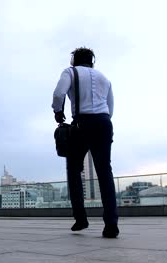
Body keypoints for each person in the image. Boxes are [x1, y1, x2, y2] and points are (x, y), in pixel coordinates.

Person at [51, 47, 119, 238]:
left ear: (74, 60)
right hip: (105, 123)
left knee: (74, 170)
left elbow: (58, 94)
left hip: (82, 123)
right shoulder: (104, 78)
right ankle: (111, 224)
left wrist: (58, 111)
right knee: (105, 172)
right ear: (92, 61)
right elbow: (110, 107)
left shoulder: (70, 72)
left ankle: (81, 219)